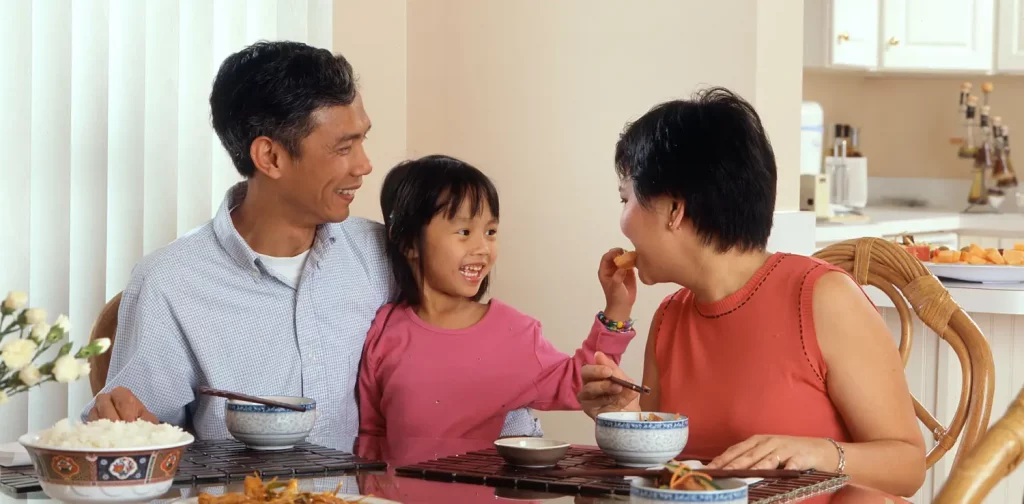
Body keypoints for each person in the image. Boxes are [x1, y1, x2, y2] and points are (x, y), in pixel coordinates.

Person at [82, 40, 541, 445]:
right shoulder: (172, 283)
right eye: (344, 148)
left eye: (363, 140)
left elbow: (474, 355)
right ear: (271, 156)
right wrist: (119, 428)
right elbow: (133, 439)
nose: (364, 165)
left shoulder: (388, 254)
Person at [575, 88, 926, 497]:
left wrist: (814, 453)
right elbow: (668, 476)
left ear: (675, 210)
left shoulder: (823, 299)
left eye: (626, 198)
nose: (622, 222)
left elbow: (908, 466)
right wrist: (626, 415)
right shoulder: (670, 317)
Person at [357, 155, 637, 440]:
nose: (482, 247)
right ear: (407, 242)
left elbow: (580, 381)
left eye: (490, 232)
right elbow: (372, 433)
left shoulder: (514, 332)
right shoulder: (384, 330)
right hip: (393, 486)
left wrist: (616, 309)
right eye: (464, 232)